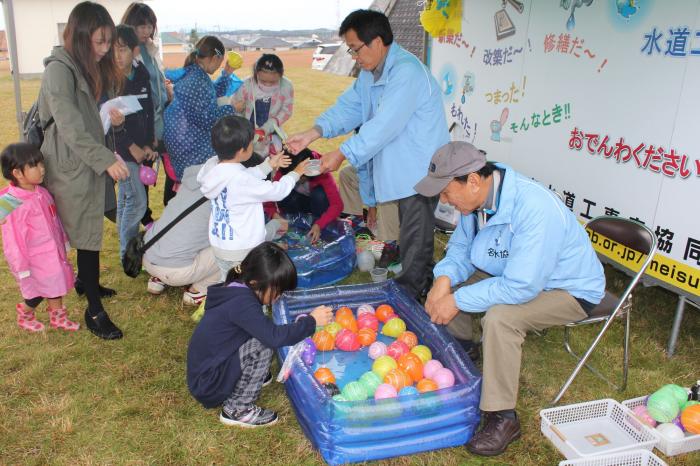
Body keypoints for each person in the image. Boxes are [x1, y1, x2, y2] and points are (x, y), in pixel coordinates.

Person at [416, 141, 605, 456]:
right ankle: (462, 350)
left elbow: (522, 287)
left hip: (566, 289)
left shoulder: (534, 208)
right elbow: (462, 249)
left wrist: (456, 301)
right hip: (510, 273)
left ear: (473, 181)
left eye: (447, 192)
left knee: (502, 318)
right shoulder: (475, 201)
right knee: (452, 287)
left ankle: (502, 416)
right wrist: (442, 281)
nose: (443, 200)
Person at [286, 9, 448, 298]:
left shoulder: (406, 72)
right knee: (412, 237)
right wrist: (314, 132)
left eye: (355, 49)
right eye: (350, 50)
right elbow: (348, 108)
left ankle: (414, 296)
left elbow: (383, 125)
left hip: (420, 170)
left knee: (415, 235)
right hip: (399, 169)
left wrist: (342, 153)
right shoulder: (369, 75)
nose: (354, 57)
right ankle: (421, 281)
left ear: (376, 41)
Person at [38, 1, 130, 340]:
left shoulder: (81, 65)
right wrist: (105, 159)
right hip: (70, 164)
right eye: (100, 41)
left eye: (109, 42)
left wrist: (110, 117)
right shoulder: (59, 70)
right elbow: (70, 126)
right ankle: (94, 310)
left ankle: (83, 282)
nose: (106, 50)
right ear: (80, 36)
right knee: (87, 235)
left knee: (90, 227)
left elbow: (87, 119)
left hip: (84, 159)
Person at [187, 241, 334, 427]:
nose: (279, 296)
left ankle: (249, 375)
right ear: (256, 283)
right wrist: (311, 322)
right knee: (263, 344)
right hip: (208, 385)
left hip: (206, 372)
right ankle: (237, 408)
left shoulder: (236, 288)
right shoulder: (242, 303)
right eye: (277, 290)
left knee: (261, 332)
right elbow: (274, 337)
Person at [197, 115, 307, 278]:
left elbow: (243, 178)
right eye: (251, 143)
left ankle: (225, 301)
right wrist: (295, 174)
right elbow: (277, 191)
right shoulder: (241, 180)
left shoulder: (213, 168)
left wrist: (268, 165)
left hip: (222, 245)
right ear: (242, 150)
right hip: (243, 250)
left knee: (228, 282)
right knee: (250, 288)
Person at [0, 143, 80, 332]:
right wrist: (21, 267)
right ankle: (25, 312)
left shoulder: (41, 192)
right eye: (35, 165)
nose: (42, 169)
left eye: (41, 163)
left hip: (52, 253)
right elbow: (13, 241)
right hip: (33, 259)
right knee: (38, 292)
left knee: (56, 284)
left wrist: (64, 242)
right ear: (18, 173)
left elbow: (54, 219)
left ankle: (58, 318)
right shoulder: (12, 204)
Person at [143, 163, 220, 306]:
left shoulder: (188, 183)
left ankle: (158, 279)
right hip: (174, 271)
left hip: (148, 257)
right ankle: (198, 290)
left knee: (180, 236)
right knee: (229, 250)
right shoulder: (224, 194)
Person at [111, 24, 157, 259]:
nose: (117, 56)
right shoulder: (108, 80)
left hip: (141, 148)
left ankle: (123, 246)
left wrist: (149, 144)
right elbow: (110, 123)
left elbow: (147, 111)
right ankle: (126, 254)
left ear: (134, 50)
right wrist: (133, 148)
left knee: (127, 199)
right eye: (113, 50)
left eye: (122, 49)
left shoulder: (141, 74)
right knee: (138, 203)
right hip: (121, 152)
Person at [121, 2, 172, 207]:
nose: (146, 31)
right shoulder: (128, 52)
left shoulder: (150, 49)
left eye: (150, 26)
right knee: (136, 186)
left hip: (157, 122)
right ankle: (141, 224)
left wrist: (166, 88)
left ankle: (147, 219)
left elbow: (155, 81)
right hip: (138, 127)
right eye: (141, 26)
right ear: (130, 26)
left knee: (147, 175)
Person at [164, 36, 234, 183]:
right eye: (219, 64)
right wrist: (231, 108)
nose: (217, 69)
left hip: (183, 143)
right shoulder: (196, 80)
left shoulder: (194, 73)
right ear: (215, 58)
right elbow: (205, 120)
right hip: (190, 148)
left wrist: (227, 73)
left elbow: (210, 94)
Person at [264, 149, 343, 243]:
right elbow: (269, 196)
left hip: (317, 206)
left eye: (300, 176)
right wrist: (274, 214)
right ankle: (292, 219)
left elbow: (337, 204)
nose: (297, 178)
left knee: (319, 195)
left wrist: (319, 224)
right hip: (297, 203)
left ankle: (317, 223)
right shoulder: (286, 168)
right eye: (293, 175)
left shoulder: (320, 169)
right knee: (284, 190)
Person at [231, 54, 293, 158]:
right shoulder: (246, 85)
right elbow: (235, 109)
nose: (268, 85)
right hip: (246, 135)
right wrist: (245, 131)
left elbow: (286, 111)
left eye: (273, 82)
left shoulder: (286, 86)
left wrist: (266, 128)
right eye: (263, 81)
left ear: (281, 75)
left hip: (271, 134)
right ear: (256, 74)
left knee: (268, 165)